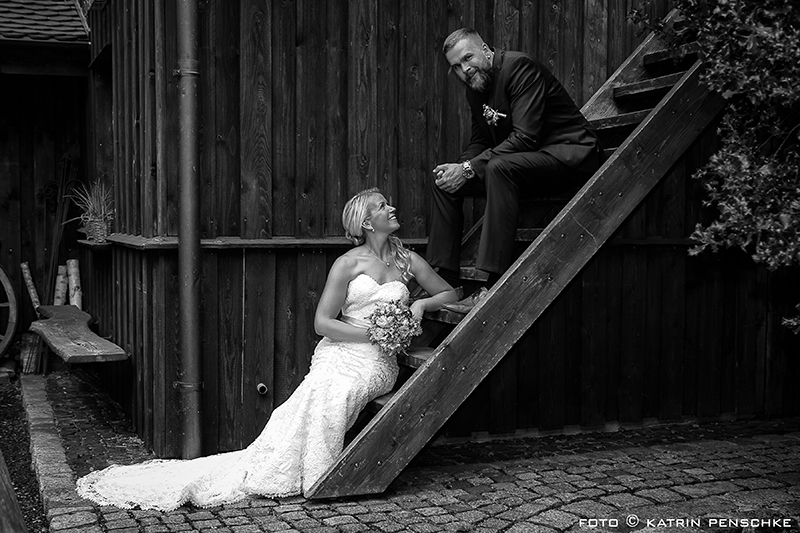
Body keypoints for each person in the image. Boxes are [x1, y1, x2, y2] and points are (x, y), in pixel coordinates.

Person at [76, 188, 458, 511]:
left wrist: (419, 305)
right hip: (341, 351)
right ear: (366, 222)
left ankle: (321, 473)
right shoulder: (346, 265)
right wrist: (372, 333)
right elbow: (322, 323)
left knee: (341, 392)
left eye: (388, 204)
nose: (391, 208)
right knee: (319, 390)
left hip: (377, 363)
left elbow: (450, 292)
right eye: (381, 206)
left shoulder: (407, 261)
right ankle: (305, 470)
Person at [428, 28, 602, 310]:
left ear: (485, 50)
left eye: (468, 58)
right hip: (523, 165)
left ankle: (492, 286)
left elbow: (525, 137)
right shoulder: (476, 86)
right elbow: (481, 140)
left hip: (570, 155)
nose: (465, 69)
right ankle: (446, 284)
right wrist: (459, 168)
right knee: (443, 182)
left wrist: (470, 168)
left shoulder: (519, 67)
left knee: (497, 167)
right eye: (456, 67)